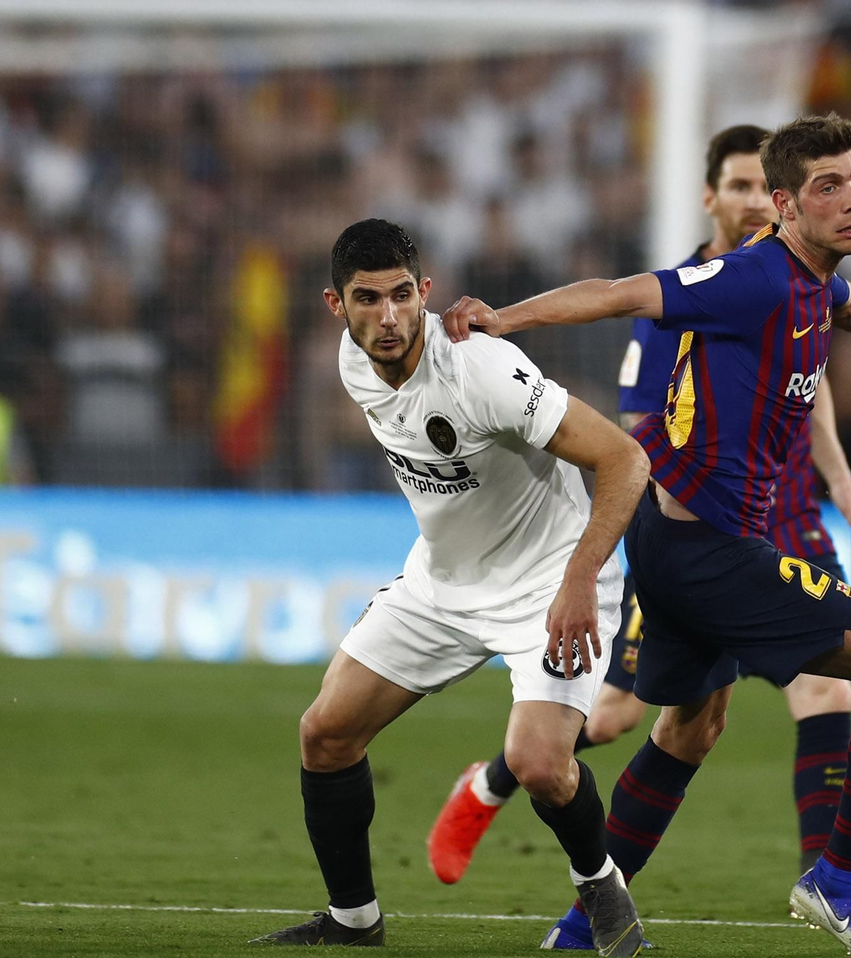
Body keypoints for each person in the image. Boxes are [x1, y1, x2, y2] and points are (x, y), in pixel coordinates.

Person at [444, 114, 851, 958]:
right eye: (829, 186)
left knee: (687, 729)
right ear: (784, 206)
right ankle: (838, 880)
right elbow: (624, 292)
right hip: (713, 556)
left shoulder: (816, 282)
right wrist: (503, 321)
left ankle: (582, 931)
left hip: (677, 538)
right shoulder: (750, 279)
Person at [250, 220, 650, 955]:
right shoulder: (351, 361)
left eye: (403, 295)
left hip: (548, 582)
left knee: (539, 767)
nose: (390, 316)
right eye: (368, 300)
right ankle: (353, 924)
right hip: (442, 581)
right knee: (325, 734)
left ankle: (601, 884)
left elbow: (624, 459)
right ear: (336, 306)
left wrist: (580, 575)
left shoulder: (483, 371)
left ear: (425, 292)